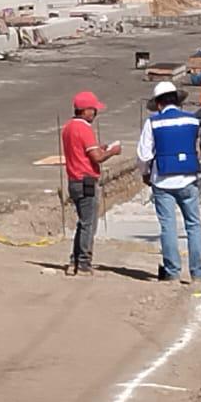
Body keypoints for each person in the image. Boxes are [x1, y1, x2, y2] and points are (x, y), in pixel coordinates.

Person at [137, 81, 201, 283]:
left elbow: (143, 155)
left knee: (168, 226)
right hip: (188, 179)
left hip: (163, 181)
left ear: (158, 104)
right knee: (193, 225)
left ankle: (173, 272)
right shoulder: (193, 120)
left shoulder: (153, 123)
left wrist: (146, 174)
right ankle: (198, 272)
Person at [61, 91, 122, 275]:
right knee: (89, 224)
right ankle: (84, 263)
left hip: (73, 180)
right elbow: (97, 157)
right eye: (93, 109)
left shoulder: (68, 127)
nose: (95, 113)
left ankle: (75, 260)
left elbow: (84, 152)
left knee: (82, 222)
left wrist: (99, 148)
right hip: (86, 180)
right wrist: (112, 151)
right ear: (85, 110)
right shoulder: (84, 128)